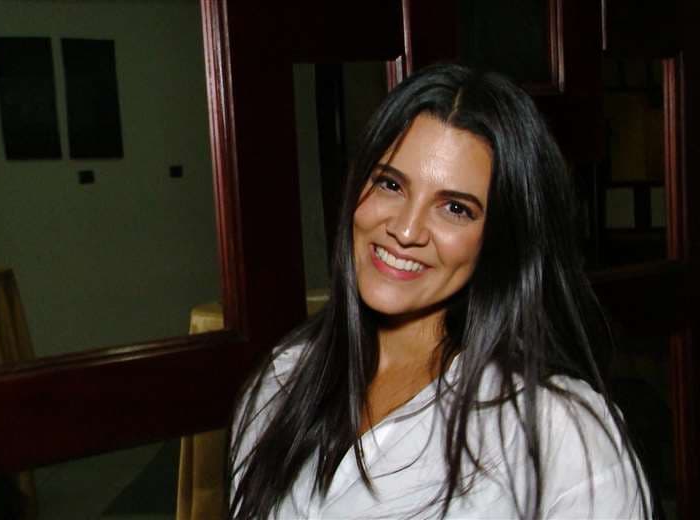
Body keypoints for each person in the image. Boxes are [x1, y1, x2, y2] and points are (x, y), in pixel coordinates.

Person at [228, 63, 652, 519]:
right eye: (390, 184)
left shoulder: (560, 431)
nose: (406, 230)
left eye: (455, 208)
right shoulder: (284, 379)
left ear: (502, 237)